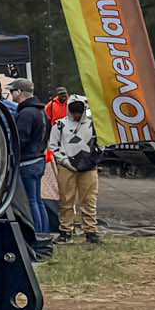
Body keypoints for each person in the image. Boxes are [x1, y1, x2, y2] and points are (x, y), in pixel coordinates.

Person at [49, 95, 102, 243]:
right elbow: (53, 146)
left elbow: (102, 144)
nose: (76, 115)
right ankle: (66, 231)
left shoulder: (94, 125)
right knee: (66, 200)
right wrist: (65, 161)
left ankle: (90, 231)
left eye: (79, 112)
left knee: (89, 200)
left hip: (89, 167)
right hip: (67, 167)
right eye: (74, 112)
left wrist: (92, 161)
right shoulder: (59, 125)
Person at [10, 81, 53, 253]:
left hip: (27, 161)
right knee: (38, 200)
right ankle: (44, 233)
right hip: (39, 159)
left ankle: (36, 235)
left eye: (12, 91)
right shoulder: (42, 112)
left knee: (31, 201)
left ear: (20, 92)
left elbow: (20, 138)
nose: (11, 95)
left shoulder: (26, 113)